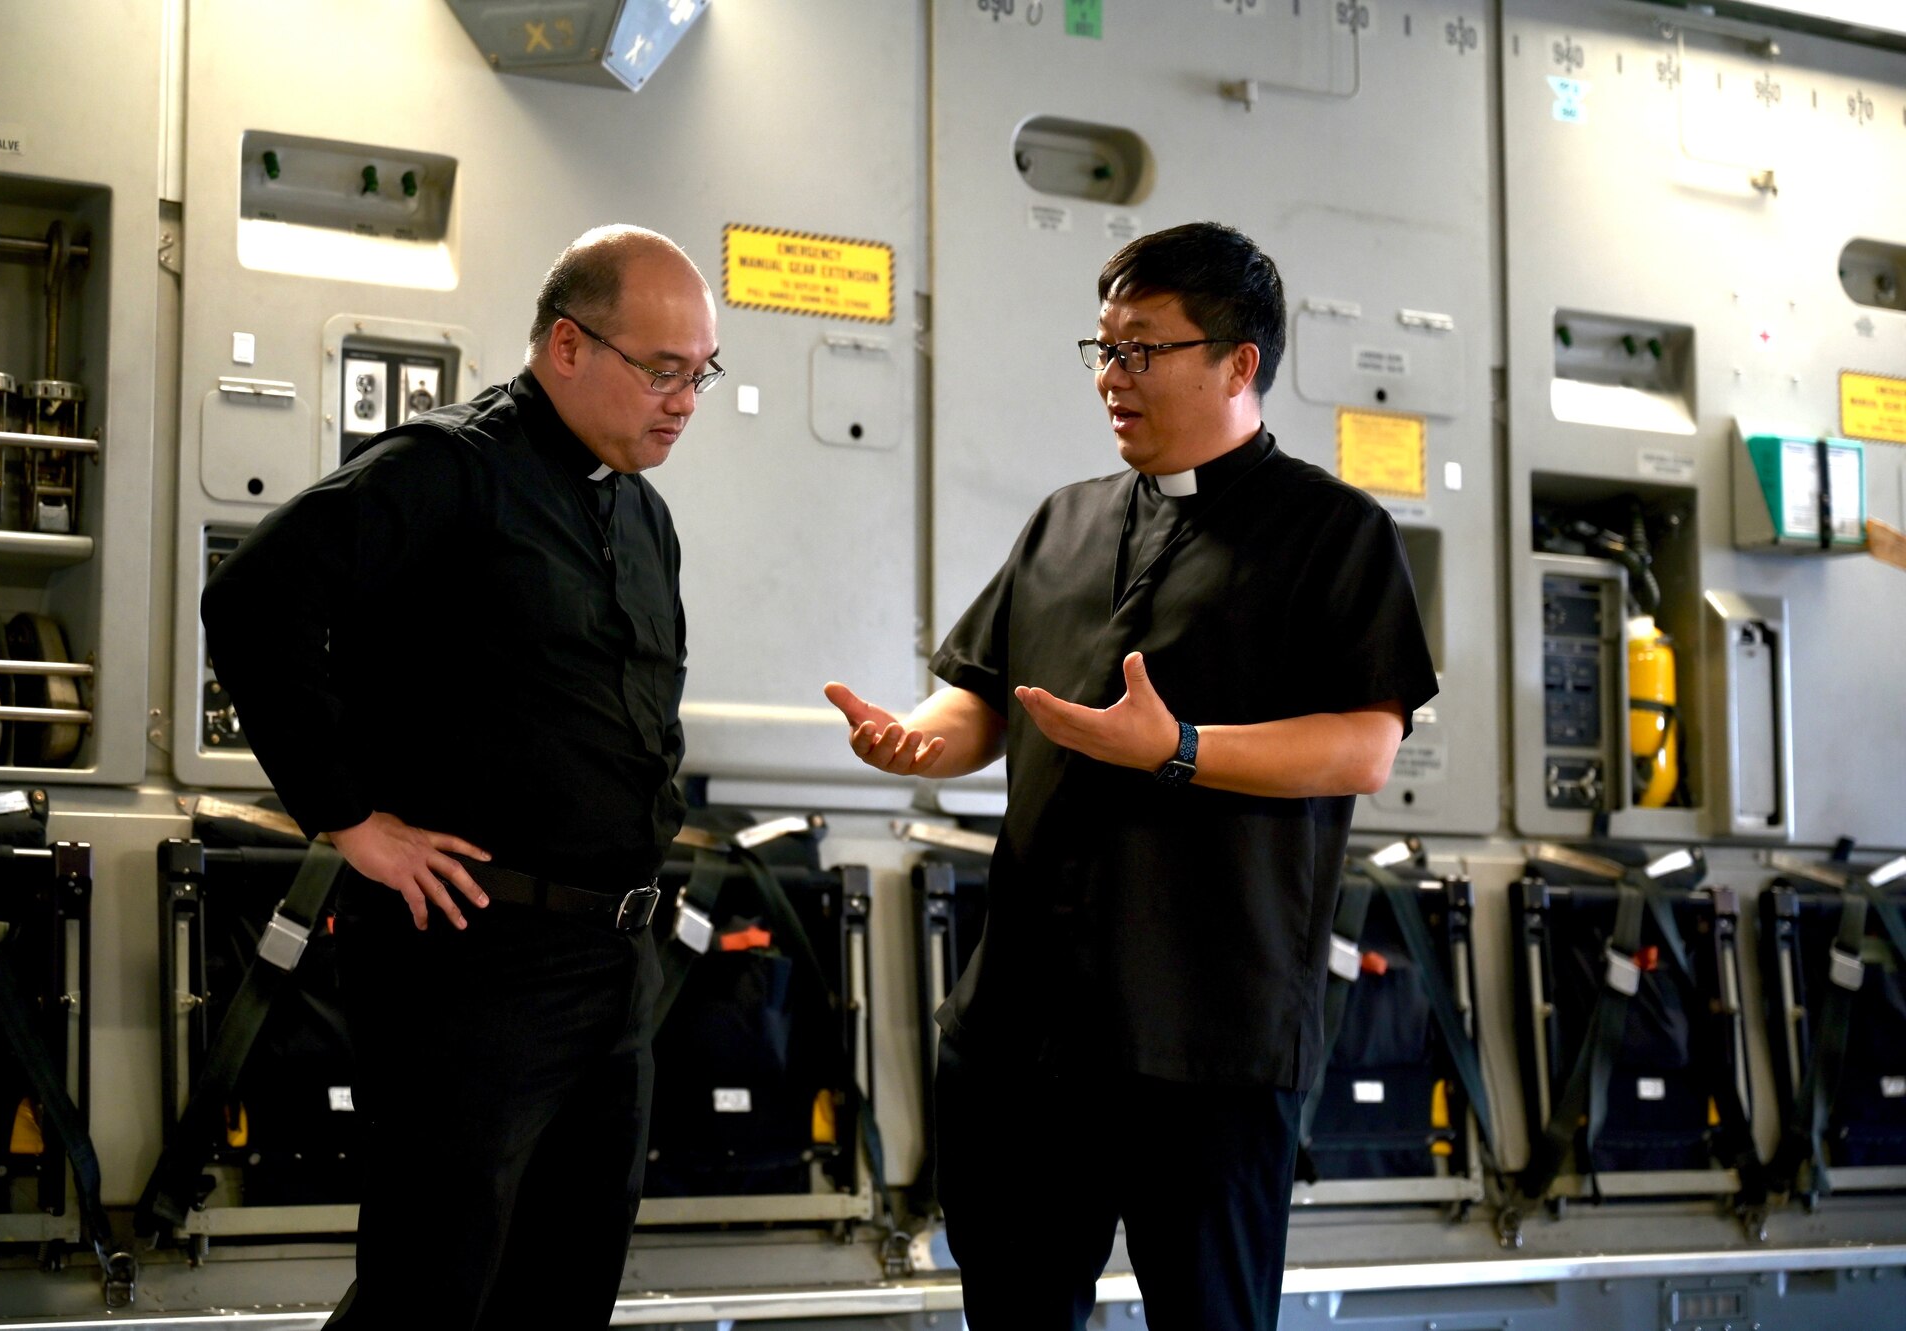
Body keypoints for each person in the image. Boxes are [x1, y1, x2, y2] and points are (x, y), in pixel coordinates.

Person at [825, 221, 1436, 1330]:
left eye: (1141, 350)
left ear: (1236, 362)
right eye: (1102, 349)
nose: (1111, 378)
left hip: (1207, 1041)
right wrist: (917, 740)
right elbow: (985, 697)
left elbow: (1363, 744)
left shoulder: (1332, 534)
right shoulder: (1063, 520)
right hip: (1022, 1029)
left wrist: (1180, 748)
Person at [201, 224, 722, 1330]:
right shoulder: (451, 468)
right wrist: (347, 816)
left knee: (563, 1282)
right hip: (472, 954)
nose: (684, 399)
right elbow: (256, 599)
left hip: (609, 958)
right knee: (432, 1285)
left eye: (701, 373)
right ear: (568, 346)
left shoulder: (642, 512)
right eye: (663, 369)